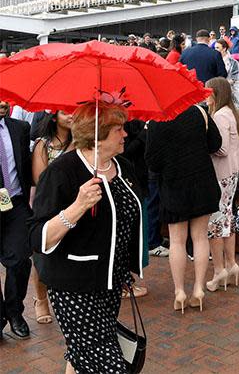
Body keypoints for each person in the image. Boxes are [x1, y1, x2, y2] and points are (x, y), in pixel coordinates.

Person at [29, 101, 142, 371]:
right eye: (118, 129)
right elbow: (38, 238)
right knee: (109, 363)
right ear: (97, 134)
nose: (125, 134)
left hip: (111, 283)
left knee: (81, 353)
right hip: (74, 285)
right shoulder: (61, 172)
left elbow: (124, 222)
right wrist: (77, 207)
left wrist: (125, 268)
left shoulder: (124, 167)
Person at [145, 104, 222, 313]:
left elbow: (152, 161)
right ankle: (198, 288)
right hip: (202, 181)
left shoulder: (157, 119)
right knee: (200, 237)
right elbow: (216, 143)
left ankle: (179, 291)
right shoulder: (199, 112)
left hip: (173, 184)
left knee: (177, 240)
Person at [30, 110, 74, 325]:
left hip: (76, 207)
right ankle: (41, 300)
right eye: (66, 112)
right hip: (49, 208)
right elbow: (41, 180)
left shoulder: (82, 141)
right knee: (41, 257)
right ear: (54, 117)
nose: (71, 116)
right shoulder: (43, 144)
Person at [205, 78, 239, 293]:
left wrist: (204, 145)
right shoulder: (231, 112)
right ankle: (230, 265)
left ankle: (219, 269)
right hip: (231, 172)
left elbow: (221, 149)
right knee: (227, 219)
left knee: (215, 222)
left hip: (221, 173)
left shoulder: (220, 116)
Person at [0, 100, 32, 340]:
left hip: (16, 205)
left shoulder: (20, 128)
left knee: (20, 260)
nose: (2, 102)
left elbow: (26, 168)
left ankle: (14, 312)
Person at [215, 38, 239, 116]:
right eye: (215, 48)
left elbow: (236, 77)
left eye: (217, 48)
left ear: (224, 49)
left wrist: (228, 82)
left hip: (231, 91)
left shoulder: (233, 63)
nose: (215, 50)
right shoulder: (214, 61)